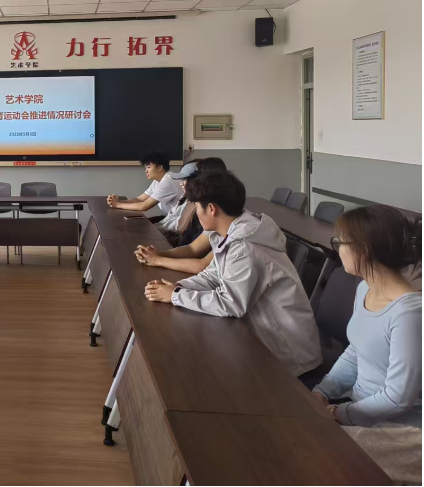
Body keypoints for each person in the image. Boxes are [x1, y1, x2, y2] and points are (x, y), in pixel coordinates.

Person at [144, 170, 321, 377]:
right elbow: (212, 275)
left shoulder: (244, 246)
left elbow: (230, 303)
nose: (196, 213)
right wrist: (180, 287)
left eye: (197, 207)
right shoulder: (230, 231)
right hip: (262, 340)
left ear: (211, 209)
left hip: (290, 358)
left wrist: (176, 296)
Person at [310, 206, 421, 483]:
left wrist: (339, 413)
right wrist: (323, 391)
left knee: (314, 458)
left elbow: (398, 398)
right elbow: (356, 350)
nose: (337, 250)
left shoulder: (410, 313)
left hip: (401, 431)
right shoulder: (364, 289)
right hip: (362, 411)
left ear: (364, 249)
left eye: (341, 243)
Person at [155, 157, 227, 243]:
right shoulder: (188, 198)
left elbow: (192, 246)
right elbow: (192, 247)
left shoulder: (204, 205)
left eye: (185, 179)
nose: (181, 183)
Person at [107, 150, 181, 221]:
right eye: (145, 167)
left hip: (179, 222)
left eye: (148, 167)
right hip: (172, 218)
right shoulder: (157, 181)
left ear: (159, 167)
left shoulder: (167, 181)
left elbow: (144, 206)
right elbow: (139, 199)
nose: (146, 171)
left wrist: (118, 205)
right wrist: (118, 201)